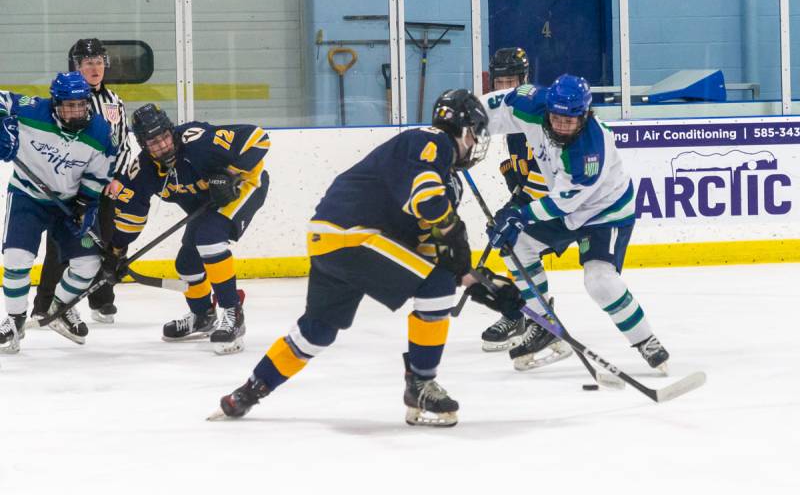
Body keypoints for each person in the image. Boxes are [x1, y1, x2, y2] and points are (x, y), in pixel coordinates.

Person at [209, 90, 523, 427]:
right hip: (355, 235)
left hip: (329, 239)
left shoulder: (429, 167)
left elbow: (427, 248)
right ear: (463, 128)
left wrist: (474, 280)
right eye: (475, 133)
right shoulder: (434, 141)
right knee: (437, 284)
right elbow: (430, 202)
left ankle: (249, 391)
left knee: (318, 330)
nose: (476, 142)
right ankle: (420, 382)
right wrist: (453, 238)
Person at [481, 74, 670, 372]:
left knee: (599, 281)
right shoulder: (532, 103)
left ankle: (646, 340)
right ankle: (542, 322)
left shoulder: (589, 152)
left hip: (605, 213)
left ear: (585, 115)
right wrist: (462, 128)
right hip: (565, 208)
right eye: (556, 118)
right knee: (515, 245)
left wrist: (519, 214)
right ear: (548, 109)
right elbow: (498, 105)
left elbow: (562, 202)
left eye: (570, 121)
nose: (561, 126)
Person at [100, 103, 270, 355]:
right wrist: (116, 250)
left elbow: (258, 138)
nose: (163, 146)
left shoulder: (197, 140)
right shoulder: (144, 170)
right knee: (187, 265)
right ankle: (203, 315)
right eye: (153, 143)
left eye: (165, 137)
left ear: (171, 131)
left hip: (243, 186)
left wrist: (228, 174)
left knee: (209, 239)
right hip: (207, 204)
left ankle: (233, 313)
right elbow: (131, 217)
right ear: (143, 145)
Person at [0, 72, 116, 351]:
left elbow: (98, 175)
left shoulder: (100, 132)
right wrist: (4, 123)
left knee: (88, 263)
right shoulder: (33, 109)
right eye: (68, 105)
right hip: (28, 196)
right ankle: (14, 321)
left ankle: (61, 307)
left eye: (80, 104)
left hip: (69, 203)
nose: (75, 111)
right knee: (17, 258)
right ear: (55, 103)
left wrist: (85, 204)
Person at [31, 38, 132, 324]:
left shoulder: (114, 102)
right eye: (89, 62)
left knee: (106, 244)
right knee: (60, 246)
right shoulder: (63, 101)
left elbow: (123, 144)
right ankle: (45, 303)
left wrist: (117, 178)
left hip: (105, 188)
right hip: (71, 187)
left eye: (99, 62)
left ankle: (101, 300)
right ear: (77, 66)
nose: (95, 67)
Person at [481, 47, 564, 360]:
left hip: (560, 205)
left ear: (524, 78)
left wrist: (521, 193)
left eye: (511, 80)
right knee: (507, 245)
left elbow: (551, 171)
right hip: (536, 200)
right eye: (501, 82)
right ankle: (527, 314)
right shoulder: (508, 114)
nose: (506, 88)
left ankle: (524, 316)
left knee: (511, 242)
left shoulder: (536, 110)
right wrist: (515, 177)